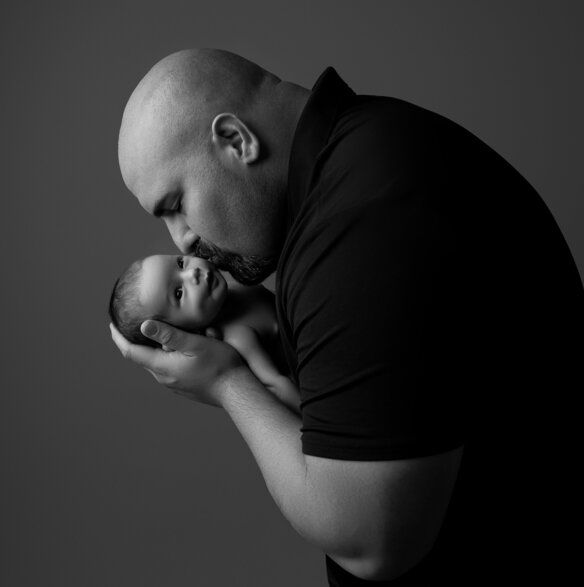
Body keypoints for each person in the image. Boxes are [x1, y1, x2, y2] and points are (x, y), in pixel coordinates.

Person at [110, 48, 584, 586]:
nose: (183, 239)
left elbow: (372, 542)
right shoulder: (368, 155)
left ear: (236, 141)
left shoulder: (355, 225)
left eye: (175, 204)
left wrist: (226, 381)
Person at [109, 253, 299, 411]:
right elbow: (276, 385)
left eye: (181, 263)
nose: (193, 274)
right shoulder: (238, 336)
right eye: (179, 293)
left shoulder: (229, 287)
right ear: (183, 331)